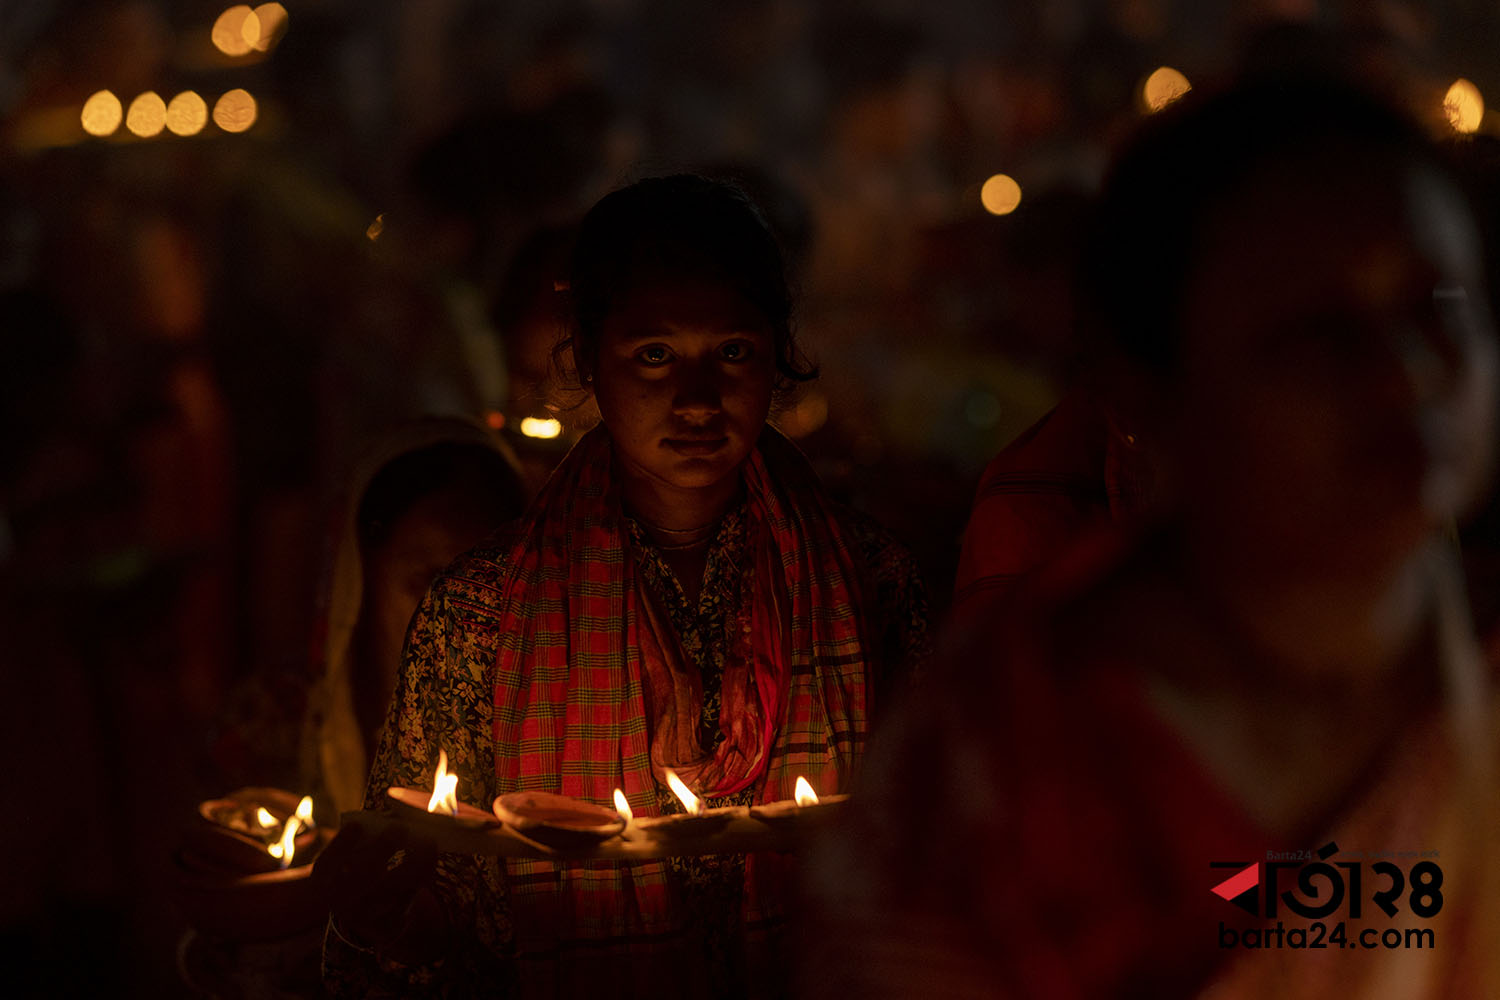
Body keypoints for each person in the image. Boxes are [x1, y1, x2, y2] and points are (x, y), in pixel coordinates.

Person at [806, 74, 1500, 998]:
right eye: (1319, 336)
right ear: (1147, 390)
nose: (1405, 375)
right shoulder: (982, 785)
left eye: (1438, 308)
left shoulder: (1480, 676)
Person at [317, 175, 929, 998]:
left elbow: (936, 856)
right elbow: (430, 916)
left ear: (778, 355)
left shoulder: (872, 581)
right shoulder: (479, 613)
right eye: (654, 355)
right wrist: (383, 911)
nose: (697, 399)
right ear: (589, 359)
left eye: (733, 352)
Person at [301, 418, 530, 817]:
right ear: (361, 578)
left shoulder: (556, 740)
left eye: (486, 584)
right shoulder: (275, 729)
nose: (456, 617)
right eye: (429, 580)